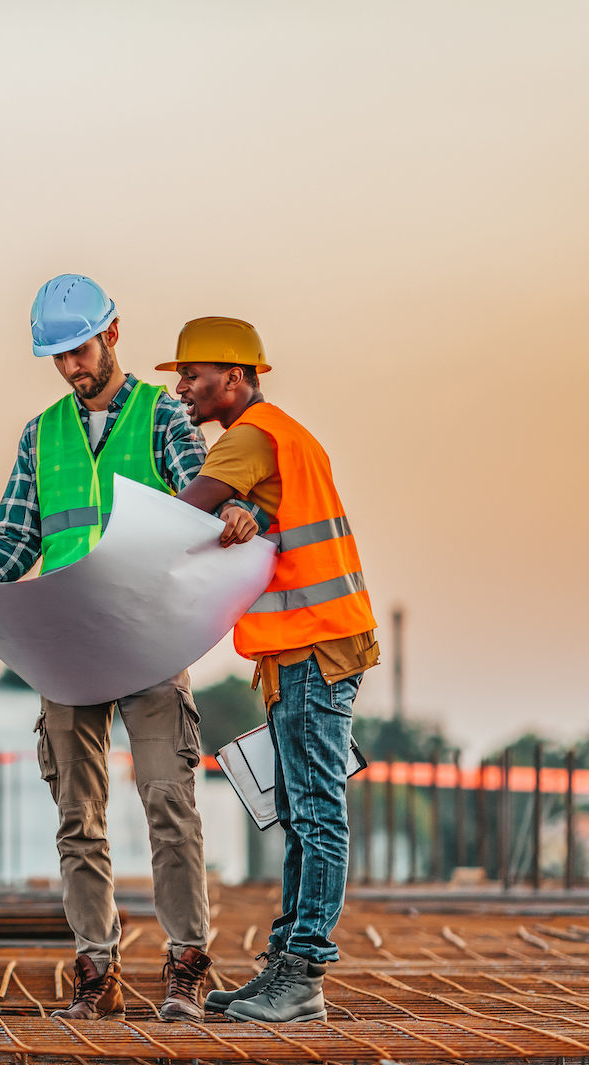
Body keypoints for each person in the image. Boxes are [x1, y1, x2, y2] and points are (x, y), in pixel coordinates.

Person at [0, 275, 258, 1022]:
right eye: (56, 357)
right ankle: (96, 970)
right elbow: (14, 545)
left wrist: (241, 512)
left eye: (78, 350)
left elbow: (202, 496)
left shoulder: (162, 417)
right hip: (67, 647)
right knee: (77, 817)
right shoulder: (41, 434)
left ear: (112, 335)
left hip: (149, 638)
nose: (69, 367)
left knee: (169, 801)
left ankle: (187, 965)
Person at [166, 316, 379, 1024]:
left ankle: (303, 972)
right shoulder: (282, 438)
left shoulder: (252, 437)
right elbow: (248, 516)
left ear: (234, 375)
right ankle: (285, 968)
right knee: (299, 811)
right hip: (308, 649)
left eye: (192, 377)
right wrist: (243, 513)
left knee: (317, 811)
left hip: (315, 646)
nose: (184, 390)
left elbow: (181, 514)